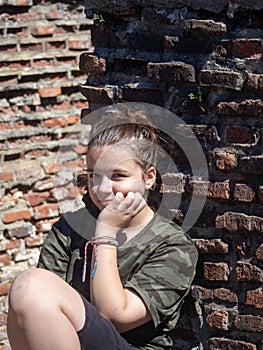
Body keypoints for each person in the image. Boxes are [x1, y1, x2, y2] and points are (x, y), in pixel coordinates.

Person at [7, 104, 198, 350]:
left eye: (118, 176)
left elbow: (114, 317)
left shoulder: (172, 246)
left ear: (148, 177)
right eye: (94, 175)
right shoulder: (69, 230)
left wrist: (105, 233)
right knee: (28, 286)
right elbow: (40, 312)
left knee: (33, 285)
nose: (102, 189)